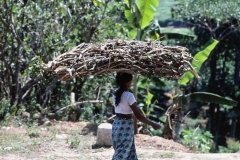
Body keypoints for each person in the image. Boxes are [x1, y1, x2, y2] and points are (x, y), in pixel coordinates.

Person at [112, 72, 162, 160]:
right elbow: (138, 115)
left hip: (116, 125)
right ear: (128, 82)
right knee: (121, 155)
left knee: (129, 152)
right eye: (131, 81)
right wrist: (153, 124)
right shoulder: (129, 95)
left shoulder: (115, 93)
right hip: (126, 126)